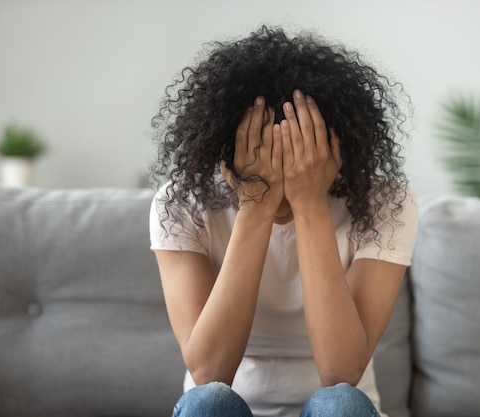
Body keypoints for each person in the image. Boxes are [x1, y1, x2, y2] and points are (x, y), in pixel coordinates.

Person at [149, 25, 418, 417]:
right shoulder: (182, 204)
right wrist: (255, 206)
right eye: (260, 155)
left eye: (298, 155)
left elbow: (342, 372)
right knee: (207, 403)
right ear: (225, 151)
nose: (279, 173)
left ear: (334, 149)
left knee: (341, 404)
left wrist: (309, 204)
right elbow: (209, 371)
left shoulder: (385, 204)